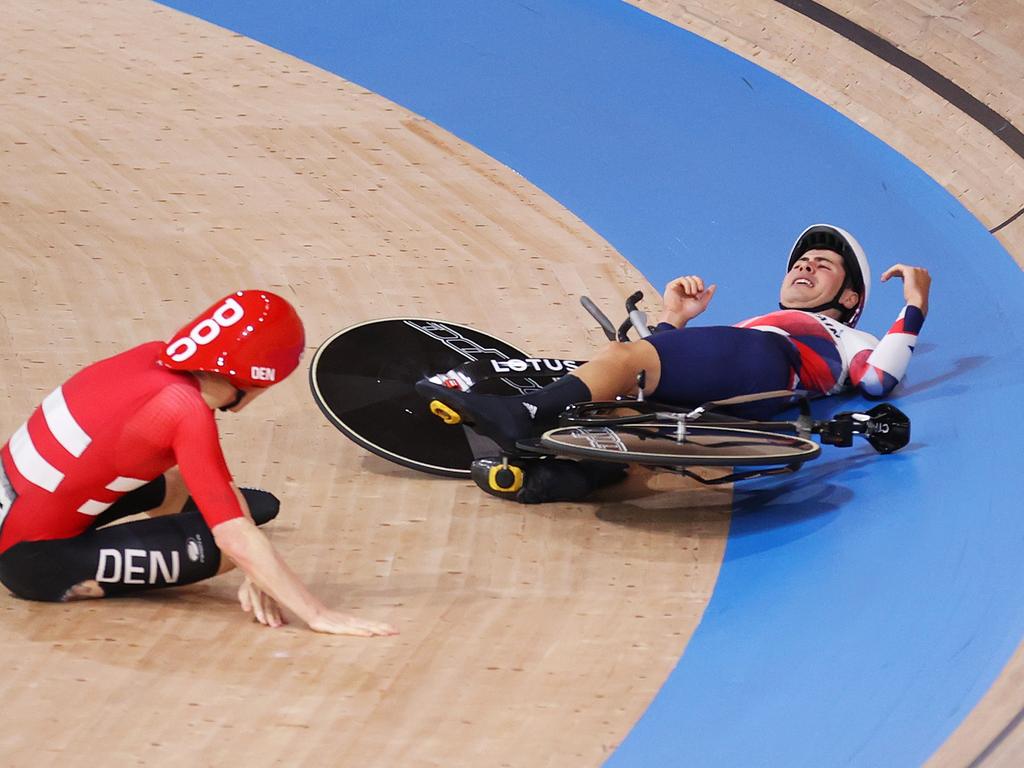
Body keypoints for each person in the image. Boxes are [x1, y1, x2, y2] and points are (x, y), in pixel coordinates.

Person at [417, 224, 931, 499]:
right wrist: (673, 318)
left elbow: (878, 379)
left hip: (769, 365)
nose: (805, 264)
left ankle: (521, 413)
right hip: (747, 379)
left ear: (847, 298)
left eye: (823, 265)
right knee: (618, 412)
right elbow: (669, 367)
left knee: (623, 358)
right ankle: (569, 479)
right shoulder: (758, 324)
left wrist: (914, 304)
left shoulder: (846, 333)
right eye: (801, 260)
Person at [0, 290, 396, 637]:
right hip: (32, 562)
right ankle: (149, 548)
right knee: (232, 546)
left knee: (252, 509)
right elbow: (233, 538)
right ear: (258, 380)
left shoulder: (148, 356)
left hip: (19, 509)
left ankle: (167, 539)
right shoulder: (185, 412)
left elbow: (208, 487)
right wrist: (317, 613)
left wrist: (255, 558)